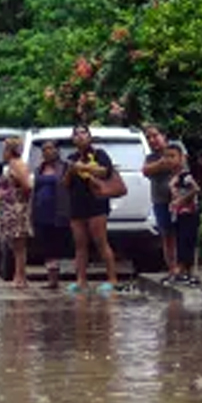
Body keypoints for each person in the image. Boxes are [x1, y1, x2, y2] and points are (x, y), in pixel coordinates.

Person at [65, 124, 121, 295]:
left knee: (100, 242)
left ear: (90, 137)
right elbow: (65, 183)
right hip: (77, 205)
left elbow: (105, 172)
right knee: (80, 244)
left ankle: (112, 279)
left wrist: (83, 167)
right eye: (77, 134)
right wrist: (71, 171)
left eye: (84, 133)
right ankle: (81, 280)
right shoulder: (71, 157)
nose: (80, 136)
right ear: (73, 139)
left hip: (96, 204)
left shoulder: (99, 154)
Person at [142, 124, 184, 280]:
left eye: (155, 136)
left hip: (181, 199)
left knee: (182, 234)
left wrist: (167, 161)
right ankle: (172, 269)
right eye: (149, 137)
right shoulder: (151, 157)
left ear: (163, 136)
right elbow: (146, 170)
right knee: (166, 235)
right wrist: (162, 163)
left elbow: (181, 166)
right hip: (160, 200)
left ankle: (184, 268)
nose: (152, 140)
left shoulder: (177, 147)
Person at [0, 136, 33, 288]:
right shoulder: (10, 165)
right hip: (8, 209)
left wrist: (19, 198)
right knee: (13, 244)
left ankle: (21, 277)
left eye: (5, 149)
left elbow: (28, 186)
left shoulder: (18, 165)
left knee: (19, 245)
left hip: (17, 208)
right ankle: (19, 276)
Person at [31, 140, 71, 290]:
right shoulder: (39, 169)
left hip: (59, 211)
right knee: (47, 247)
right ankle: (52, 279)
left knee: (59, 245)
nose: (47, 152)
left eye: (50, 149)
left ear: (57, 151)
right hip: (41, 213)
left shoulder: (65, 167)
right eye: (44, 150)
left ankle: (69, 276)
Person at [167, 155, 201, 285]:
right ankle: (182, 270)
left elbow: (196, 189)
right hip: (178, 213)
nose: (169, 160)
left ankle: (191, 271)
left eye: (172, 156)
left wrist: (181, 200)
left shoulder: (185, 176)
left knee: (189, 241)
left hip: (189, 212)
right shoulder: (172, 176)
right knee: (180, 241)